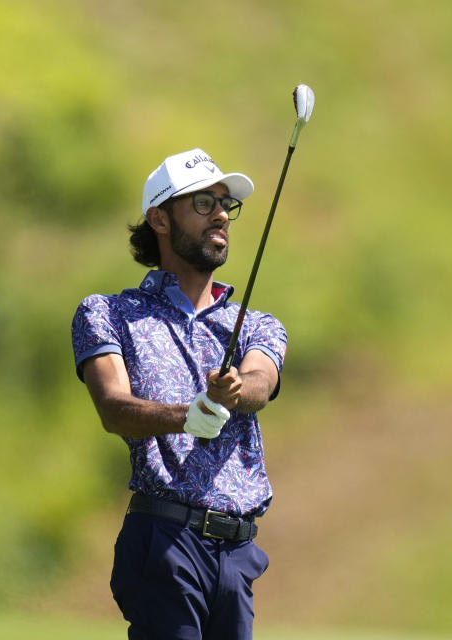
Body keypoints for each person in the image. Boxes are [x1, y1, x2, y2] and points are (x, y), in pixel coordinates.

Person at [71, 148, 287, 639]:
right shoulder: (108, 313)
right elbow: (113, 408)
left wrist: (232, 392)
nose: (220, 218)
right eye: (202, 204)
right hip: (163, 539)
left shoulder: (256, 325)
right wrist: (185, 416)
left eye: (224, 206)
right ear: (159, 219)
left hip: (236, 555)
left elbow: (260, 381)